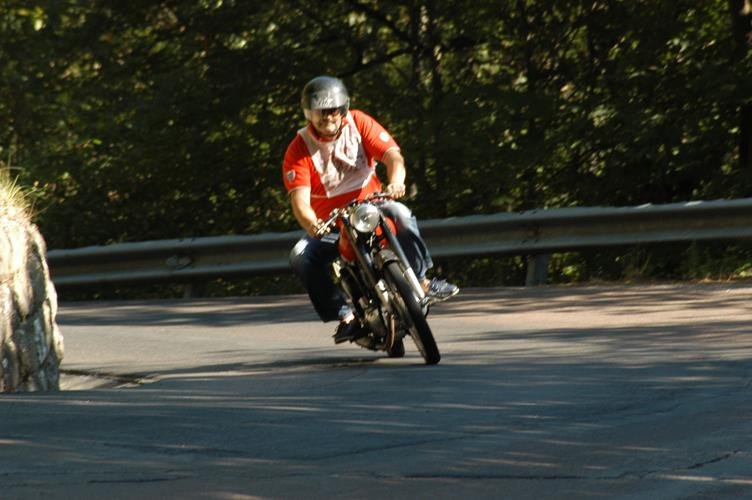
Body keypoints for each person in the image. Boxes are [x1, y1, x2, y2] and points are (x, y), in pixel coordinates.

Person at [283, 75, 458, 343]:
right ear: (309, 113)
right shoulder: (298, 149)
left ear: (343, 108)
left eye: (333, 110)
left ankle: (421, 280)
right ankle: (345, 316)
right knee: (300, 256)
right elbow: (300, 202)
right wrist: (312, 224)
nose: (328, 117)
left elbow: (393, 156)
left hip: (372, 208)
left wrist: (396, 181)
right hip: (332, 224)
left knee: (401, 214)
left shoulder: (359, 122)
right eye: (321, 111)